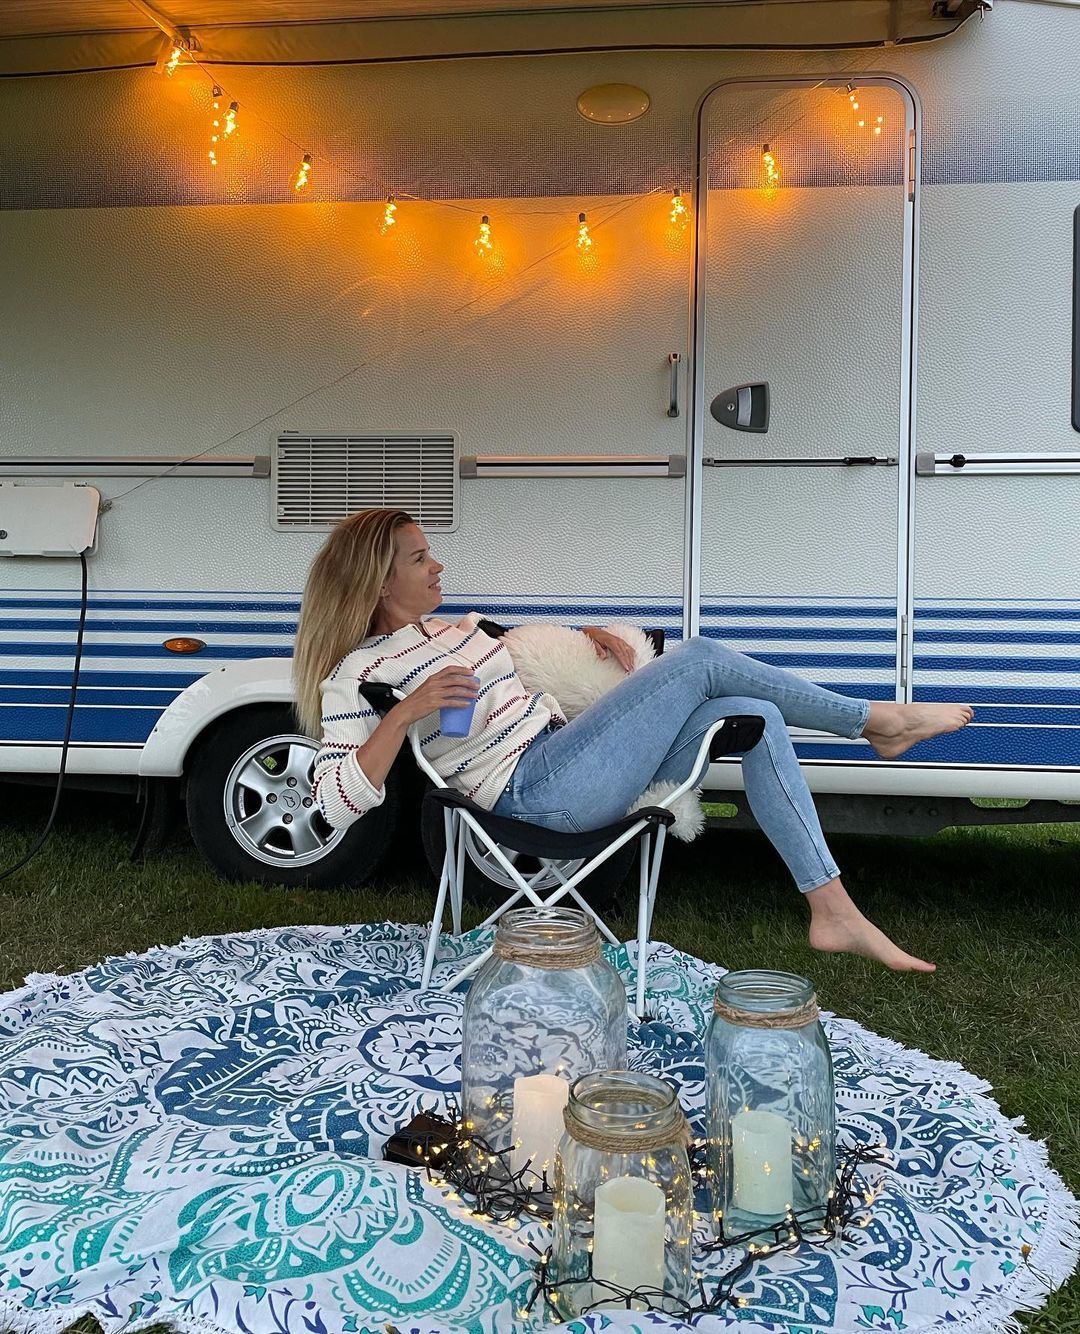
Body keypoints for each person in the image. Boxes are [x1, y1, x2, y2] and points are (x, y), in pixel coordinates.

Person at [293, 508, 973, 973]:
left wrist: (591, 638)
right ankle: (875, 722)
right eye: (420, 558)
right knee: (700, 657)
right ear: (380, 581)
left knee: (752, 713)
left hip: (572, 758)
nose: (438, 565)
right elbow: (333, 801)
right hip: (532, 795)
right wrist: (403, 714)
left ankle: (831, 908)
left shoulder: (460, 630)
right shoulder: (359, 674)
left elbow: (527, 654)